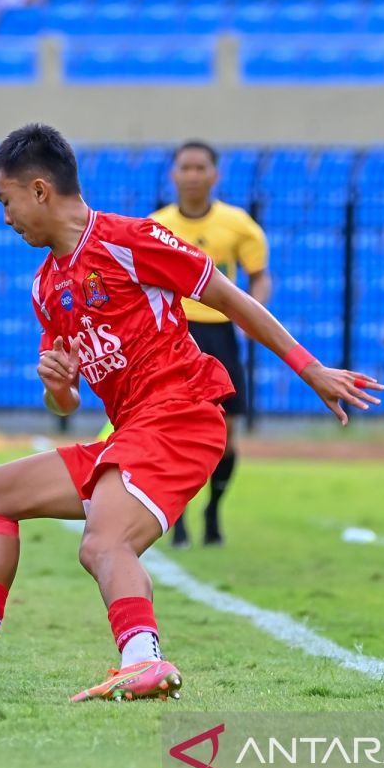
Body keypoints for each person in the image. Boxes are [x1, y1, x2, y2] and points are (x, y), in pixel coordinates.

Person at [0, 124, 382, 700]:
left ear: (40, 190)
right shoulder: (47, 285)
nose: (5, 217)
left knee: (103, 542)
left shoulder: (131, 239)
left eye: (6, 201)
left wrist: (311, 369)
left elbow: (230, 299)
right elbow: (65, 403)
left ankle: (144, 659)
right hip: (133, 430)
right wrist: (59, 388)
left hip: (181, 415)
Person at [152, 141, 271, 548]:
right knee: (173, 431)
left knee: (225, 431)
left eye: (200, 167)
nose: (192, 175)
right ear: (173, 174)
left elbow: (259, 275)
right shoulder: (156, 226)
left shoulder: (237, 224)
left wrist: (254, 313)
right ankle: (178, 518)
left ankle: (214, 510)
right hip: (174, 335)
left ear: (215, 175)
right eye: (185, 167)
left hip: (220, 334)